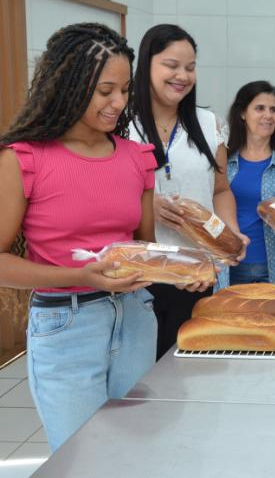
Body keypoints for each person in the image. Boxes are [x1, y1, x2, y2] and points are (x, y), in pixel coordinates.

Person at [0, 23, 157, 451]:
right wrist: (80, 276)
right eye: (106, 90)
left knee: (133, 455)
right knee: (80, 460)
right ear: (68, 84)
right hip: (65, 323)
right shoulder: (24, 159)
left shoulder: (137, 158)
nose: (119, 102)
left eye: (125, 90)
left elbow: (144, 248)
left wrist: (182, 269)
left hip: (135, 317)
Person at [129, 24, 247, 359]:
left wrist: (230, 232)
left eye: (190, 67)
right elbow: (102, 192)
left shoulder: (209, 124)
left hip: (195, 274)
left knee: (187, 370)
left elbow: (220, 190)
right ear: (146, 65)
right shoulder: (122, 123)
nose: (182, 75)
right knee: (142, 373)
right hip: (139, 273)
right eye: (172, 65)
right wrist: (148, 203)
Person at [226, 81, 275, 288]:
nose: (268, 115)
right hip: (231, 264)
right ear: (242, 113)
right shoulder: (223, 160)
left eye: (273, 110)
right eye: (260, 108)